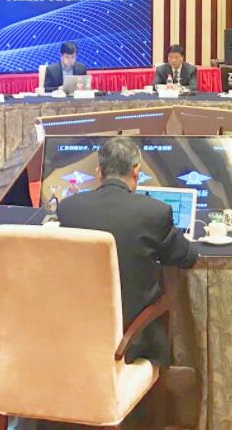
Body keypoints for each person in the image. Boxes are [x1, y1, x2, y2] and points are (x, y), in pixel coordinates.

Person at [56, 137, 198, 367]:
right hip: (134, 340)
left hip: (78, 334)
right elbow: (186, 257)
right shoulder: (155, 212)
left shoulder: (69, 208)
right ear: (136, 171)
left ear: (99, 172)